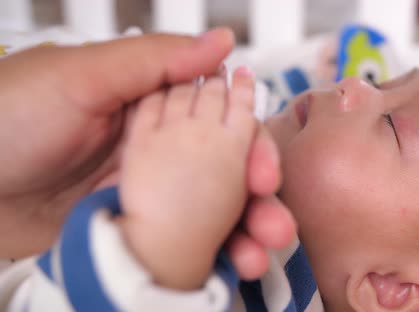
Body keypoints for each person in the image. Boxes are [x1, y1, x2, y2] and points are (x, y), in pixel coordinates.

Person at [2, 31, 419, 312]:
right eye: (387, 83)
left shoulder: (264, 293)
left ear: (390, 291)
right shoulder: (271, 129)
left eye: (391, 125)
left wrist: (161, 255)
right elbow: (335, 57)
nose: (356, 87)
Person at [0, 27, 296, 309]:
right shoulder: (266, 103)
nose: (343, 83)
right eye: (339, 78)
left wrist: (154, 260)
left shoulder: (276, 291)